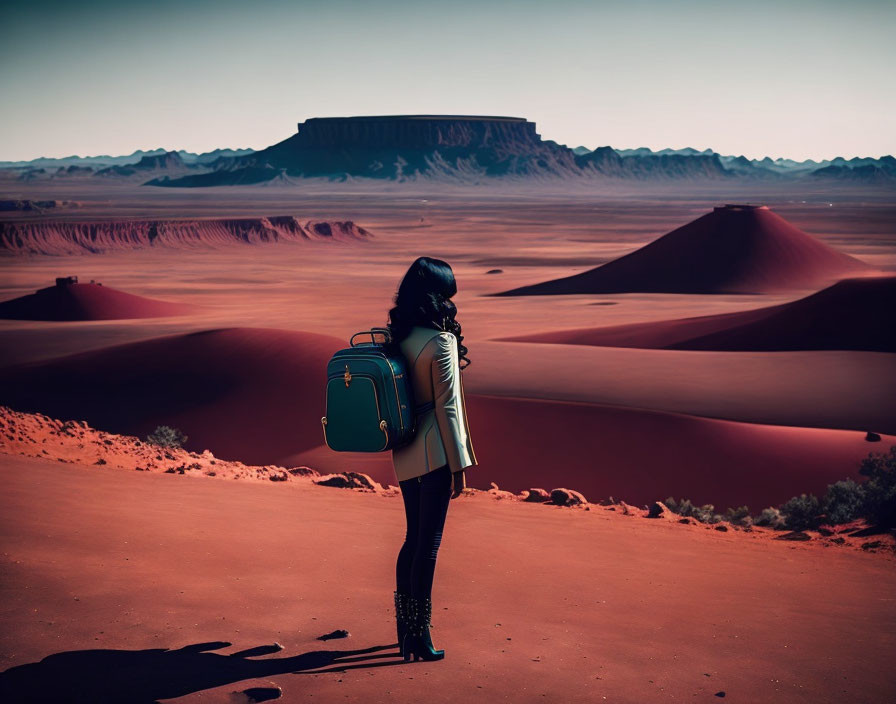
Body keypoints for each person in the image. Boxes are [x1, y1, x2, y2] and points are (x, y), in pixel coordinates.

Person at [385, 256, 478, 662]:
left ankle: (404, 629)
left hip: (404, 453)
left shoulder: (399, 337)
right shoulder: (440, 342)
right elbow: (449, 408)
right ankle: (419, 637)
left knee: (412, 541)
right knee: (429, 546)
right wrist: (459, 467)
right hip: (435, 455)